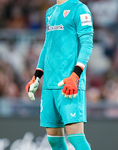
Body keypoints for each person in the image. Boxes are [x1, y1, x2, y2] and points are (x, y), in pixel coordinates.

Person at [26, 0, 93, 149]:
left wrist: (75, 75)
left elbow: (87, 43)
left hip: (69, 84)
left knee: (76, 137)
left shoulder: (80, 9)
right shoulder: (50, 12)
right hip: (49, 85)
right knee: (54, 140)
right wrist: (37, 75)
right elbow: (47, 45)